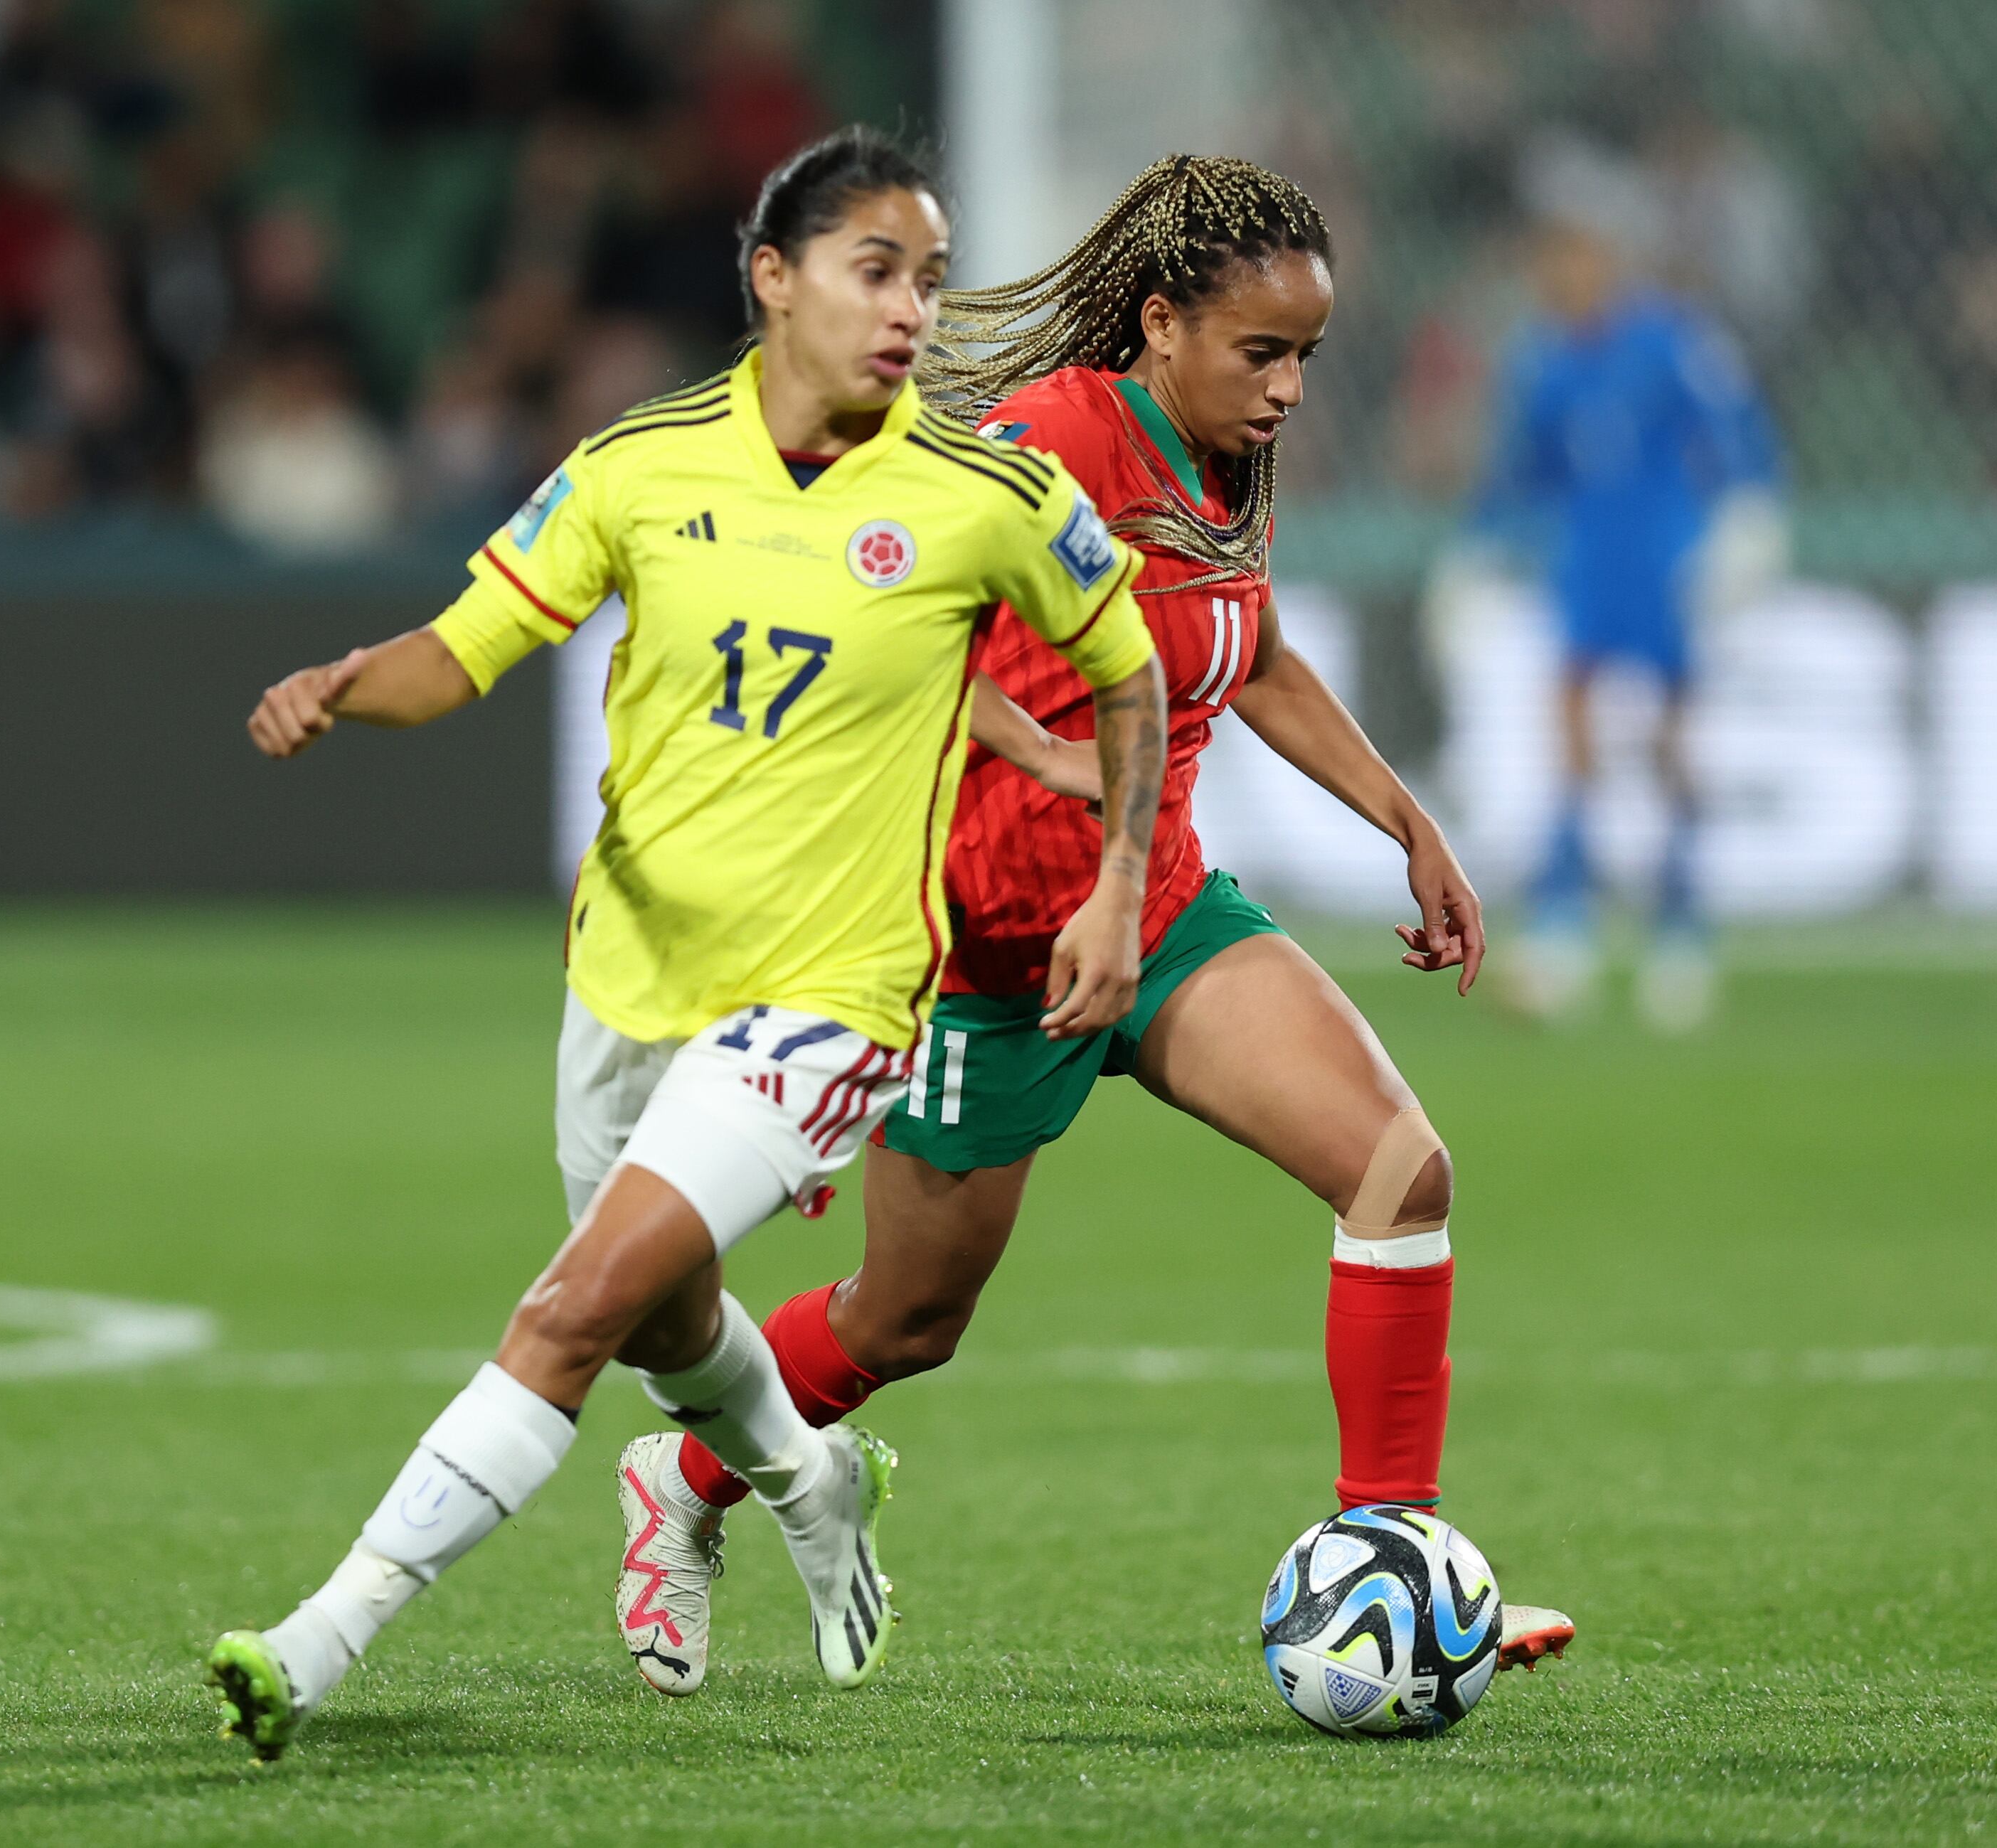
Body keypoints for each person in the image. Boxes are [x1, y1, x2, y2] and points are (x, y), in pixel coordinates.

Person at [203, 127, 1168, 1758]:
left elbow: (1127, 667)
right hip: (629, 975)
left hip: (833, 999)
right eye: (878, 271)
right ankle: (809, 1471)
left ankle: (319, 1638)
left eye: (928, 279)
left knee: (572, 1309)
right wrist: (344, 682)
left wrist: (1124, 873)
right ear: (772, 280)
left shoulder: (988, 492)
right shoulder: (641, 464)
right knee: (661, 1317)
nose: (911, 311)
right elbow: (470, 645)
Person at [607, 154, 1574, 1701]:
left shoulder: (1215, 470)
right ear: (1157, 323)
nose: (1286, 391)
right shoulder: (1041, 446)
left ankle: (1390, 1563)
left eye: (1305, 357)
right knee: (902, 1322)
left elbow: (1242, 653)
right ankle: (686, 1484)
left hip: (1163, 915)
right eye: (1259, 353)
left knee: (1397, 1170)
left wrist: (1402, 819)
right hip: (985, 963)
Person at [1474, 185, 1783, 1031]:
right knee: (1569, 735)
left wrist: (1747, 519)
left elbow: (1737, 438)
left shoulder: (1671, 342)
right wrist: (1476, 552)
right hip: (1585, 562)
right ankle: (1562, 929)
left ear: (1608, 257)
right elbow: (1516, 474)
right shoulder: (1540, 358)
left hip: (1663, 561)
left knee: (1667, 741)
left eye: (1571, 254)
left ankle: (1680, 926)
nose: (1557, 274)